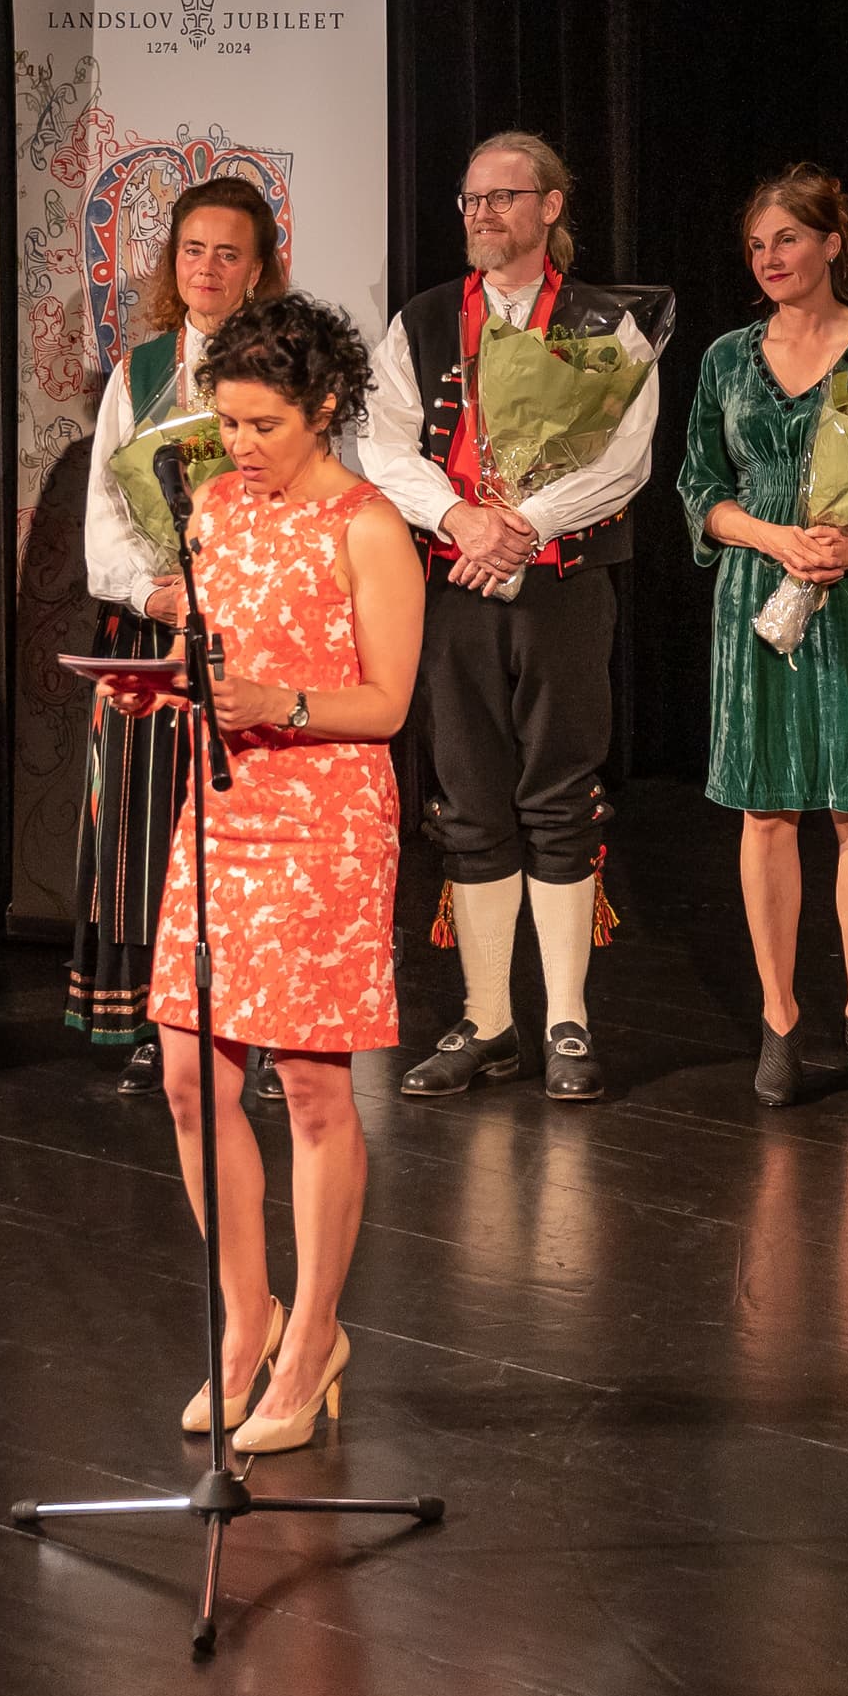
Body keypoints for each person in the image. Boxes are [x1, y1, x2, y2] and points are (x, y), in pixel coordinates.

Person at [95, 291, 423, 1453]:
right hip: (221, 808)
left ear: (324, 409)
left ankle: (314, 1336)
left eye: (261, 425)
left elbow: (384, 703)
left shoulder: (369, 524)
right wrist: (161, 680)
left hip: (325, 821)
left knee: (318, 1095)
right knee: (190, 1075)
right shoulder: (222, 509)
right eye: (226, 423)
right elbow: (214, 650)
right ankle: (247, 1319)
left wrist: (273, 700)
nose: (237, 447)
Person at [358, 130, 661, 1103]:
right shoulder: (425, 318)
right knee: (470, 797)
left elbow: (626, 455)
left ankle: (565, 1017)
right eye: (470, 199)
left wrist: (522, 524)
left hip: (562, 584)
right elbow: (381, 443)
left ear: (551, 207)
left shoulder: (603, 321)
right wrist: (460, 519)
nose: (482, 213)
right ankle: (487, 1019)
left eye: (502, 197)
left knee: (560, 792)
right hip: (453, 588)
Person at [674, 164, 848, 1107]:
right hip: (759, 599)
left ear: (833, 243)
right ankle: (780, 1021)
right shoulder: (723, 358)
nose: (770, 257)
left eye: (788, 238)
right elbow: (698, 492)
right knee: (766, 812)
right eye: (758, 244)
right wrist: (775, 535)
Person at [70, 178, 287, 1097]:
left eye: (227, 253)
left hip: (254, 634)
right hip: (156, 625)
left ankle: (267, 1031)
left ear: (259, 269)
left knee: (249, 837)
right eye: (192, 250)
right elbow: (103, 520)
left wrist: (232, 588)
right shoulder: (141, 371)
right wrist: (159, 594)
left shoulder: (289, 368)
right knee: (154, 836)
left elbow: (312, 500)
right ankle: (171, 1023)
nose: (207, 268)